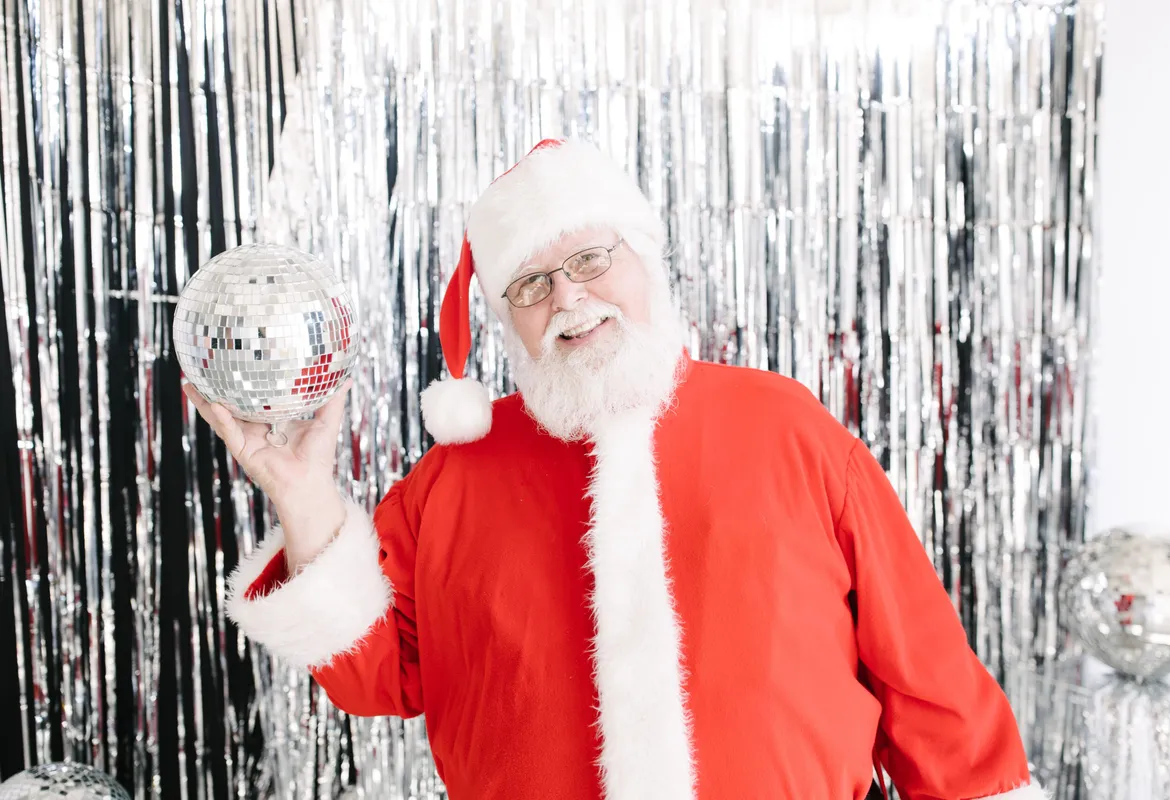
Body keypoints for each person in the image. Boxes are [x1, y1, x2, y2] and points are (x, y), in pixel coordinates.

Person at [185, 138, 1046, 799]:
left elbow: (927, 681)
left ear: (644, 260)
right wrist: (303, 498)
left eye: (591, 259)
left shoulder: (788, 426)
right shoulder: (453, 479)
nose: (568, 296)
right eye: (530, 284)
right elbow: (376, 676)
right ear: (508, 323)